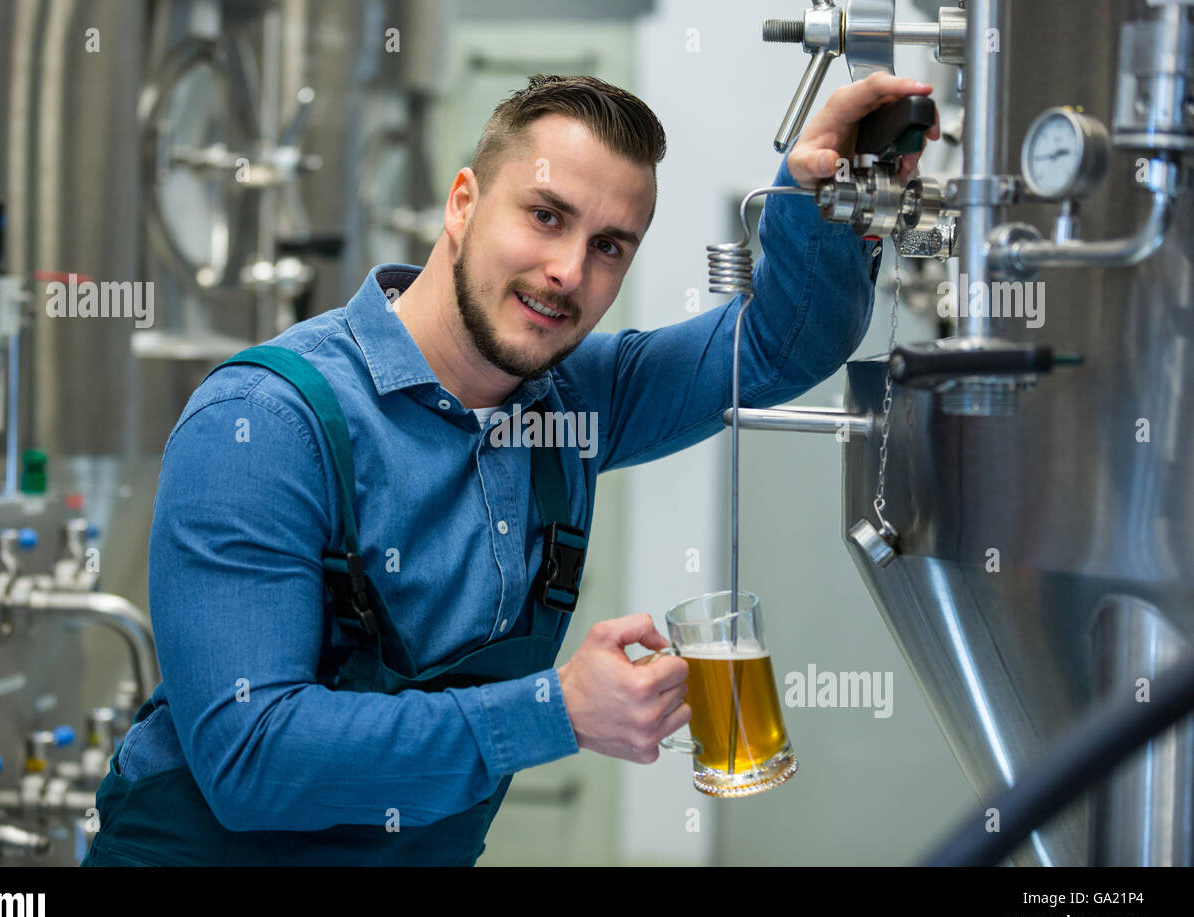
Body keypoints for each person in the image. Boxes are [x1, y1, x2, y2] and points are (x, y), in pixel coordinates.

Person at [82, 71, 938, 866]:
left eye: (610, 246)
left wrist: (819, 192)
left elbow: (777, 348)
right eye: (545, 215)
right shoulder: (266, 424)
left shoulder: (576, 403)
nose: (569, 270)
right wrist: (556, 710)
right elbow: (251, 755)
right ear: (463, 203)